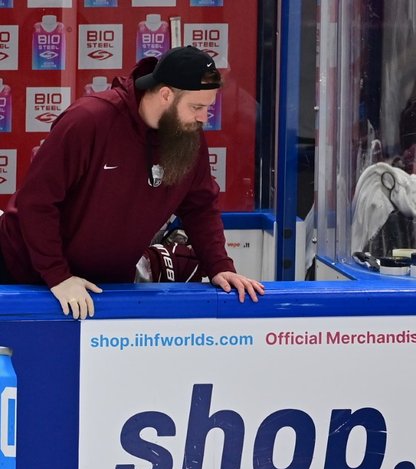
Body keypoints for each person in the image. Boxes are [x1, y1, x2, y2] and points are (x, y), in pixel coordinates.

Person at [0, 46, 264, 319]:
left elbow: (200, 207)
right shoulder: (89, 120)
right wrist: (57, 275)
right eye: (196, 107)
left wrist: (220, 266)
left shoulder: (187, 137)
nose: (203, 118)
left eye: (207, 108)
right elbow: (37, 202)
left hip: (105, 286)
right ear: (165, 95)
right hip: (25, 275)